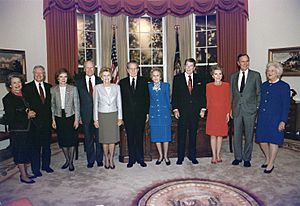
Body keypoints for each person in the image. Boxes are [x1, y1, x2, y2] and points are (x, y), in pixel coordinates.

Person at [256, 62, 290, 174]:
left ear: (278, 73)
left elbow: (286, 106)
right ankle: (268, 158)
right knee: (261, 140)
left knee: (274, 140)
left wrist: (283, 121)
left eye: (272, 71)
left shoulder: (284, 87)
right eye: (268, 70)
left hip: (276, 118)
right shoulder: (264, 85)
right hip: (263, 117)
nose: (269, 73)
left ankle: (271, 163)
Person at [2, 73, 36, 184]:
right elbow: (11, 117)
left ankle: (25, 172)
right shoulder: (7, 99)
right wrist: (27, 115)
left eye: (19, 82)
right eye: (14, 83)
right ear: (10, 85)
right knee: (20, 153)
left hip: (28, 128)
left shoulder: (24, 94)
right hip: (18, 131)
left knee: (26, 151)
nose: (17, 85)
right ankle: (23, 176)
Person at [172, 58, 206, 165]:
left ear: (194, 67)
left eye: (191, 66)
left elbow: (202, 95)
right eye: (187, 65)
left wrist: (203, 108)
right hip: (182, 112)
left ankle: (192, 156)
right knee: (181, 135)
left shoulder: (200, 78)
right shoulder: (177, 78)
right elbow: (175, 95)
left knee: (193, 135)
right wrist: (175, 109)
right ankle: (180, 157)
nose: (189, 68)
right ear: (184, 66)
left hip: (195, 112)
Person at [230, 54, 262, 167]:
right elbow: (232, 94)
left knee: (249, 135)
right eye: (242, 61)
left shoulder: (255, 75)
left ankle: (247, 158)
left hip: (250, 110)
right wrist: (230, 109)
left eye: (247, 61)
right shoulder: (233, 76)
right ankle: (238, 157)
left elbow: (259, 93)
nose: (245, 63)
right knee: (237, 135)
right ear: (238, 63)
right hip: (237, 109)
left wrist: (256, 107)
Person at [23, 65, 53, 178]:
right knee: (35, 147)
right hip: (34, 123)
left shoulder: (49, 87)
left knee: (46, 146)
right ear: (33, 73)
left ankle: (46, 166)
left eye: (41, 73)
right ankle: (35, 169)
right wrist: (27, 111)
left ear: (44, 74)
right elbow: (23, 103)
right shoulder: (27, 88)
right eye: (37, 73)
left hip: (46, 122)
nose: (39, 75)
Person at [119, 61, 150, 168]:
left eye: (135, 68)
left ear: (138, 69)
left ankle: (140, 158)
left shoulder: (144, 81)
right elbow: (120, 101)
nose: (133, 71)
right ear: (127, 70)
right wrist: (121, 116)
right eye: (130, 69)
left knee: (139, 137)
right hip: (128, 115)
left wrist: (147, 113)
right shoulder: (122, 83)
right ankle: (131, 159)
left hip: (140, 115)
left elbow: (147, 98)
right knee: (130, 137)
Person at [51, 68, 80, 171]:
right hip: (59, 117)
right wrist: (53, 120)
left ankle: (71, 162)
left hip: (70, 117)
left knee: (71, 140)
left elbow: (77, 105)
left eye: (65, 77)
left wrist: (77, 119)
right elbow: (52, 106)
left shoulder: (73, 89)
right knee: (62, 140)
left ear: (67, 78)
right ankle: (67, 160)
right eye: (61, 77)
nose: (63, 79)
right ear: (57, 78)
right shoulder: (53, 90)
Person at [93, 67, 122, 169]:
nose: (106, 77)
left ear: (111, 76)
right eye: (104, 75)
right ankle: (106, 158)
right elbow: (95, 104)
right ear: (101, 77)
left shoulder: (116, 87)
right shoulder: (97, 87)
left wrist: (120, 118)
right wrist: (95, 119)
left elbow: (119, 103)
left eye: (108, 75)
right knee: (105, 139)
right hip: (102, 115)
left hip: (113, 115)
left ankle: (111, 159)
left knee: (112, 139)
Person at [76, 61, 103, 168]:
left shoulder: (100, 81)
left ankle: (99, 159)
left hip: (99, 115)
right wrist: (79, 117)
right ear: (84, 69)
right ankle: (90, 160)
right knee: (88, 139)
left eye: (91, 67)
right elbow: (77, 101)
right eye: (87, 68)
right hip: (85, 115)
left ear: (94, 68)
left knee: (99, 138)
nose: (89, 70)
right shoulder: (78, 82)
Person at [203, 65, 230, 164]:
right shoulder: (208, 86)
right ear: (212, 76)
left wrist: (227, 113)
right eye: (215, 74)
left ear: (222, 75)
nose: (218, 76)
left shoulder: (226, 86)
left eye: (220, 74)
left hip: (222, 113)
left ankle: (218, 154)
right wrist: (205, 110)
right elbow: (207, 100)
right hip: (213, 113)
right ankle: (213, 156)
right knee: (213, 135)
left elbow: (228, 100)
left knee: (220, 135)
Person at [148, 68, 172, 166]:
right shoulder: (148, 86)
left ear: (161, 77)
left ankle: (166, 156)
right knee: (157, 136)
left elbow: (168, 101)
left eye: (157, 75)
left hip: (164, 114)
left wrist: (169, 113)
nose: (156, 77)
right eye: (154, 75)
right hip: (154, 115)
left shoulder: (166, 86)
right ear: (151, 77)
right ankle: (160, 156)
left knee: (165, 137)